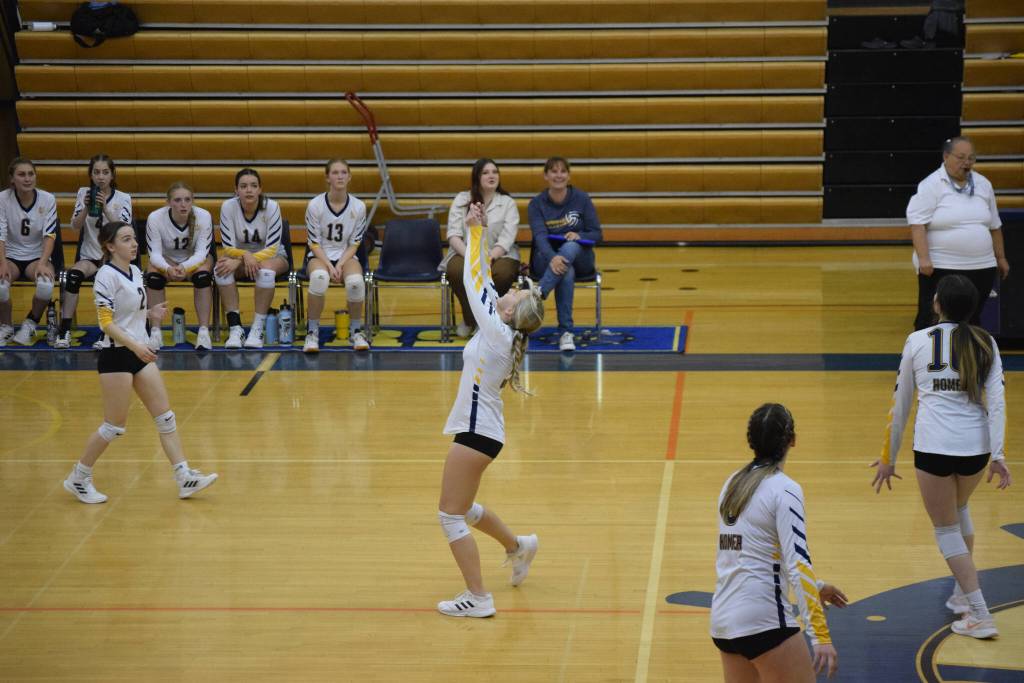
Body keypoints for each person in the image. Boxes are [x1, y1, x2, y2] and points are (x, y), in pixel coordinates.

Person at [872, 274, 1011, 639]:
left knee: (946, 528)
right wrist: (998, 454)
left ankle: (980, 613)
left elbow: (900, 404)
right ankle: (961, 596)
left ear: (937, 304)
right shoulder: (987, 343)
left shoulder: (918, 340)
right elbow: (997, 404)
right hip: (976, 451)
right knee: (959, 510)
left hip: (934, 448)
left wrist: (888, 456)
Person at [436, 202, 545, 618]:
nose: (512, 289)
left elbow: (473, 277)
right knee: (463, 508)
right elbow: (479, 281)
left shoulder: (499, 332)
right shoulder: (502, 331)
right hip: (485, 432)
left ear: (512, 311)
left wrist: (476, 233)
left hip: (479, 434)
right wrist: (476, 230)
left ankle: (478, 597)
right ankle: (518, 547)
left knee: (449, 515)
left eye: (516, 292)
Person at [62, 221, 218, 504]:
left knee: (166, 417)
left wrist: (150, 314)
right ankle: (78, 477)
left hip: (138, 352)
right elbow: (106, 324)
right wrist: (137, 346)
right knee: (113, 426)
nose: (134, 244)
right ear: (110, 246)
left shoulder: (134, 271)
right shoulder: (105, 276)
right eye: (125, 239)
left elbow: (130, 312)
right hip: (116, 356)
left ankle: (184, 477)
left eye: (133, 238)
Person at [712, 403, 843, 682]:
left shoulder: (731, 484)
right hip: (763, 621)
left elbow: (746, 557)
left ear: (752, 442)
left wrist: (816, 588)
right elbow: (798, 563)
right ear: (792, 440)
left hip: (724, 622)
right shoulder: (785, 489)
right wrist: (819, 633)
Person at [907, 136, 1010, 331]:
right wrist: (924, 259)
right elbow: (917, 224)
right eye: (961, 157)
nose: (967, 163)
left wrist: (1001, 257)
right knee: (932, 318)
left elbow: (994, 225)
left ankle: (967, 358)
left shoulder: (984, 184)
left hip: (982, 266)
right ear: (946, 156)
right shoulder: (930, 185)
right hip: (941, 266)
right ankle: (927, 359)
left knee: (971, 318)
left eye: (971, 158)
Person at [57, 154, 134, 349]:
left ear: (112, 175)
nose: (101, 177)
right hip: (90, 256)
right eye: (96, 172)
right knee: (73, 276)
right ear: (90, 175)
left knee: (107, 280)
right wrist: (84, 207)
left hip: (113, 259)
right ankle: (64, 329)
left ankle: (106, 332)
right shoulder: (83, 192)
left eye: (105, 172)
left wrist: (106, 208)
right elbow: (74, 225)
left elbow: (124, 230)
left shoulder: (124, 198)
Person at [527, 156, 602, 352]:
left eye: (562, 171)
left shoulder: (582, 199)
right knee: (565, 272)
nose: (558, 175)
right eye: (553, 171)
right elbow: (540, 237)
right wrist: (553, 257)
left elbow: (597, 233)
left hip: (582, 258)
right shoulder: (536, 204)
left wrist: (579, 235)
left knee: (571, 245)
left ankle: (538, 293)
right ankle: (566, 333)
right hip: (547, 258)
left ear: (568, 175)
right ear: (546, 176)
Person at [441, 158, 522, 338]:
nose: (491, 175)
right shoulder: (462, 199)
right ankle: (472, 320)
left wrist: (489, 258)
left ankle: (492, 318)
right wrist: (471, 257)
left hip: (501, 255)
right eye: (486, 172)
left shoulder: (507, 202)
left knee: (501, 273)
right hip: (465, 252)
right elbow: (453, 235)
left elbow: (507, 238)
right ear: (477, 177)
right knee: (456, 270)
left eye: (495, 172)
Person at [215, 168, 289, 349]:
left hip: (272, 256)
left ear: (260, 189)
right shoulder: (228, 207)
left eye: (253, 186)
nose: (249, 190)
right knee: (221, 271)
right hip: (238, 256)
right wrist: (244, 256)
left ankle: (257, 328)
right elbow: (228, 246)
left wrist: (243, 259)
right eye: (244, 186)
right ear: (236, 190)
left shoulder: (272, 207)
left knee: (265, 272)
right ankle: (235, 328)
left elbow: (272, 249)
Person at [302, 159, 370, 353]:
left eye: (343, 172)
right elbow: (313, 243)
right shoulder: (315, 205)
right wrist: (330, 267)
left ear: (349, 177)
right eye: (335, 173)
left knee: (356, 282)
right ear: (327, 178)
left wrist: (339, 264)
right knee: (319, 278)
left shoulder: (358, 207)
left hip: (346, 255)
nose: (339, 176)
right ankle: (312, 332)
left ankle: (355, 332)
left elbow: (354, 243)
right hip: (319, 255)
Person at [144, 181, 215, 350]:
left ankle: (204, 332)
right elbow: (154, 253)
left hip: (194, 259)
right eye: (177, 200)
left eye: (187, 199)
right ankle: (155, 332)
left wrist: (185, 267)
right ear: (168, 202)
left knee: (203, 277)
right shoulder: (155, 218)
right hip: (166, 260)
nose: (183, 204)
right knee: (153, 277)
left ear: (193, 200)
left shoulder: (203, 216)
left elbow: (201, 253)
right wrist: (168, 268)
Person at [0, 157, 59, 346]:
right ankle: (6, 327)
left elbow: (50, 234)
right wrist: (2, 263)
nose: (27, 179)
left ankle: (30, 324)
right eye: (21, 174)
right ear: (12, 179)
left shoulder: (48, 199)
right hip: (10, 255)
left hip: (36, 256)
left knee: (45, 285)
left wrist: (43, 262)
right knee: (0, 286)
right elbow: (0, 234)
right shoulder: (2, 199)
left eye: (31, 174)